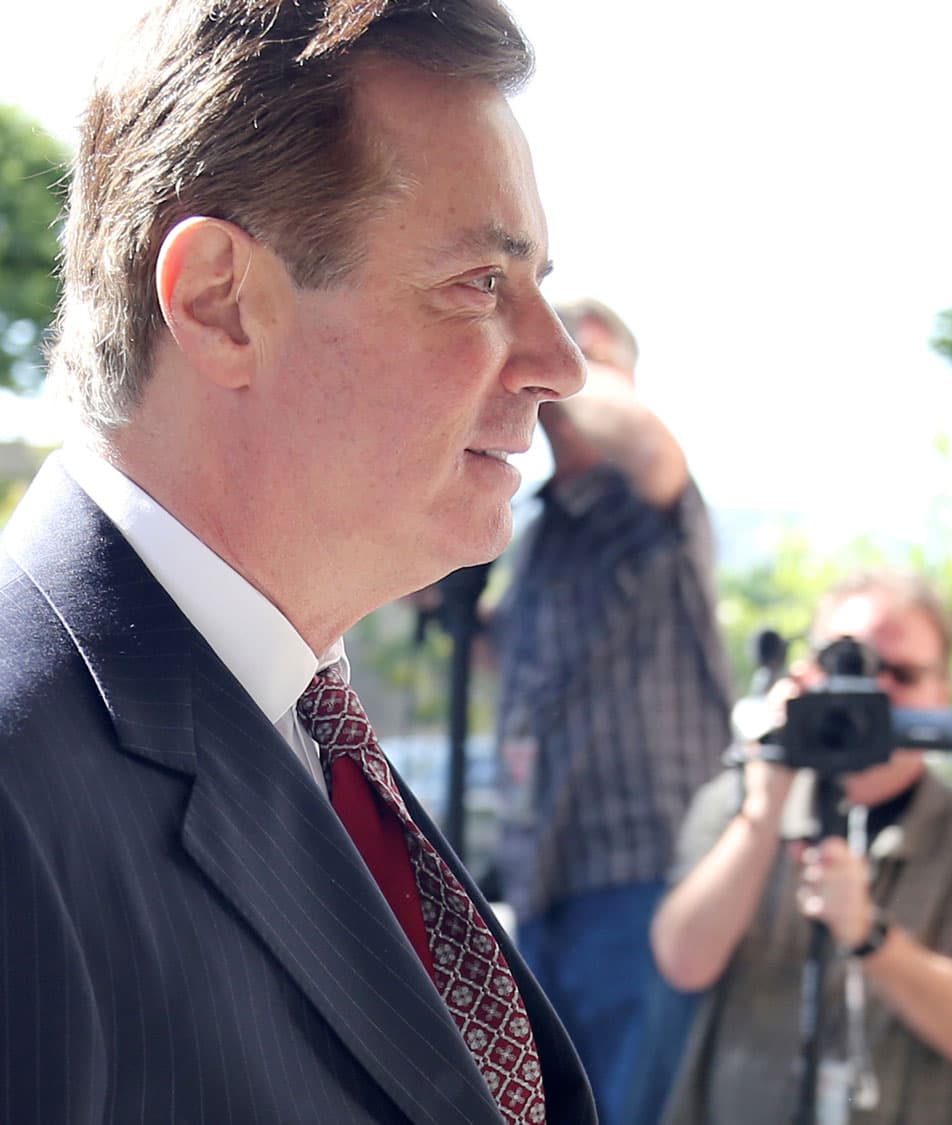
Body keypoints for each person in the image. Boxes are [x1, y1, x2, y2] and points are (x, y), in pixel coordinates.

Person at [0, 2, 598, 1121]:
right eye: (480, 281)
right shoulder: (21, 782)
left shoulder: (297, 721)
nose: (557, 364)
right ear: (220, 303)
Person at [652, 569, 952, 1125]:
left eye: (902, 674)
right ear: (804, 673)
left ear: (941, 694)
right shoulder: (738, 800)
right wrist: (765, 806)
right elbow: (684, 962)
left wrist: (868, 934)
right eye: (848, 664)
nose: (874, 690)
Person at [490, 295, 731, 1123]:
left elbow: (653, 449)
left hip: (645, 876)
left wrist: (543, 357)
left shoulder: (653, 501)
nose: (549, 361)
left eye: (579, 351)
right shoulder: (537, 531)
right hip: (544, 878)